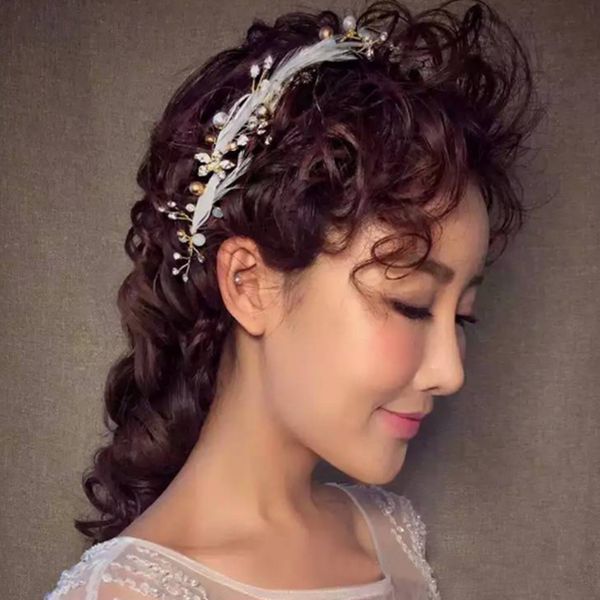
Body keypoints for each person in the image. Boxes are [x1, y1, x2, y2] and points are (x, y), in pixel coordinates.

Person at [44, 0, 544, 598]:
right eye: (410, 303)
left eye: (463, 316)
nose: (451, 372)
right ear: (249, 284)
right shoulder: (123, 593)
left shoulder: (387, 533)